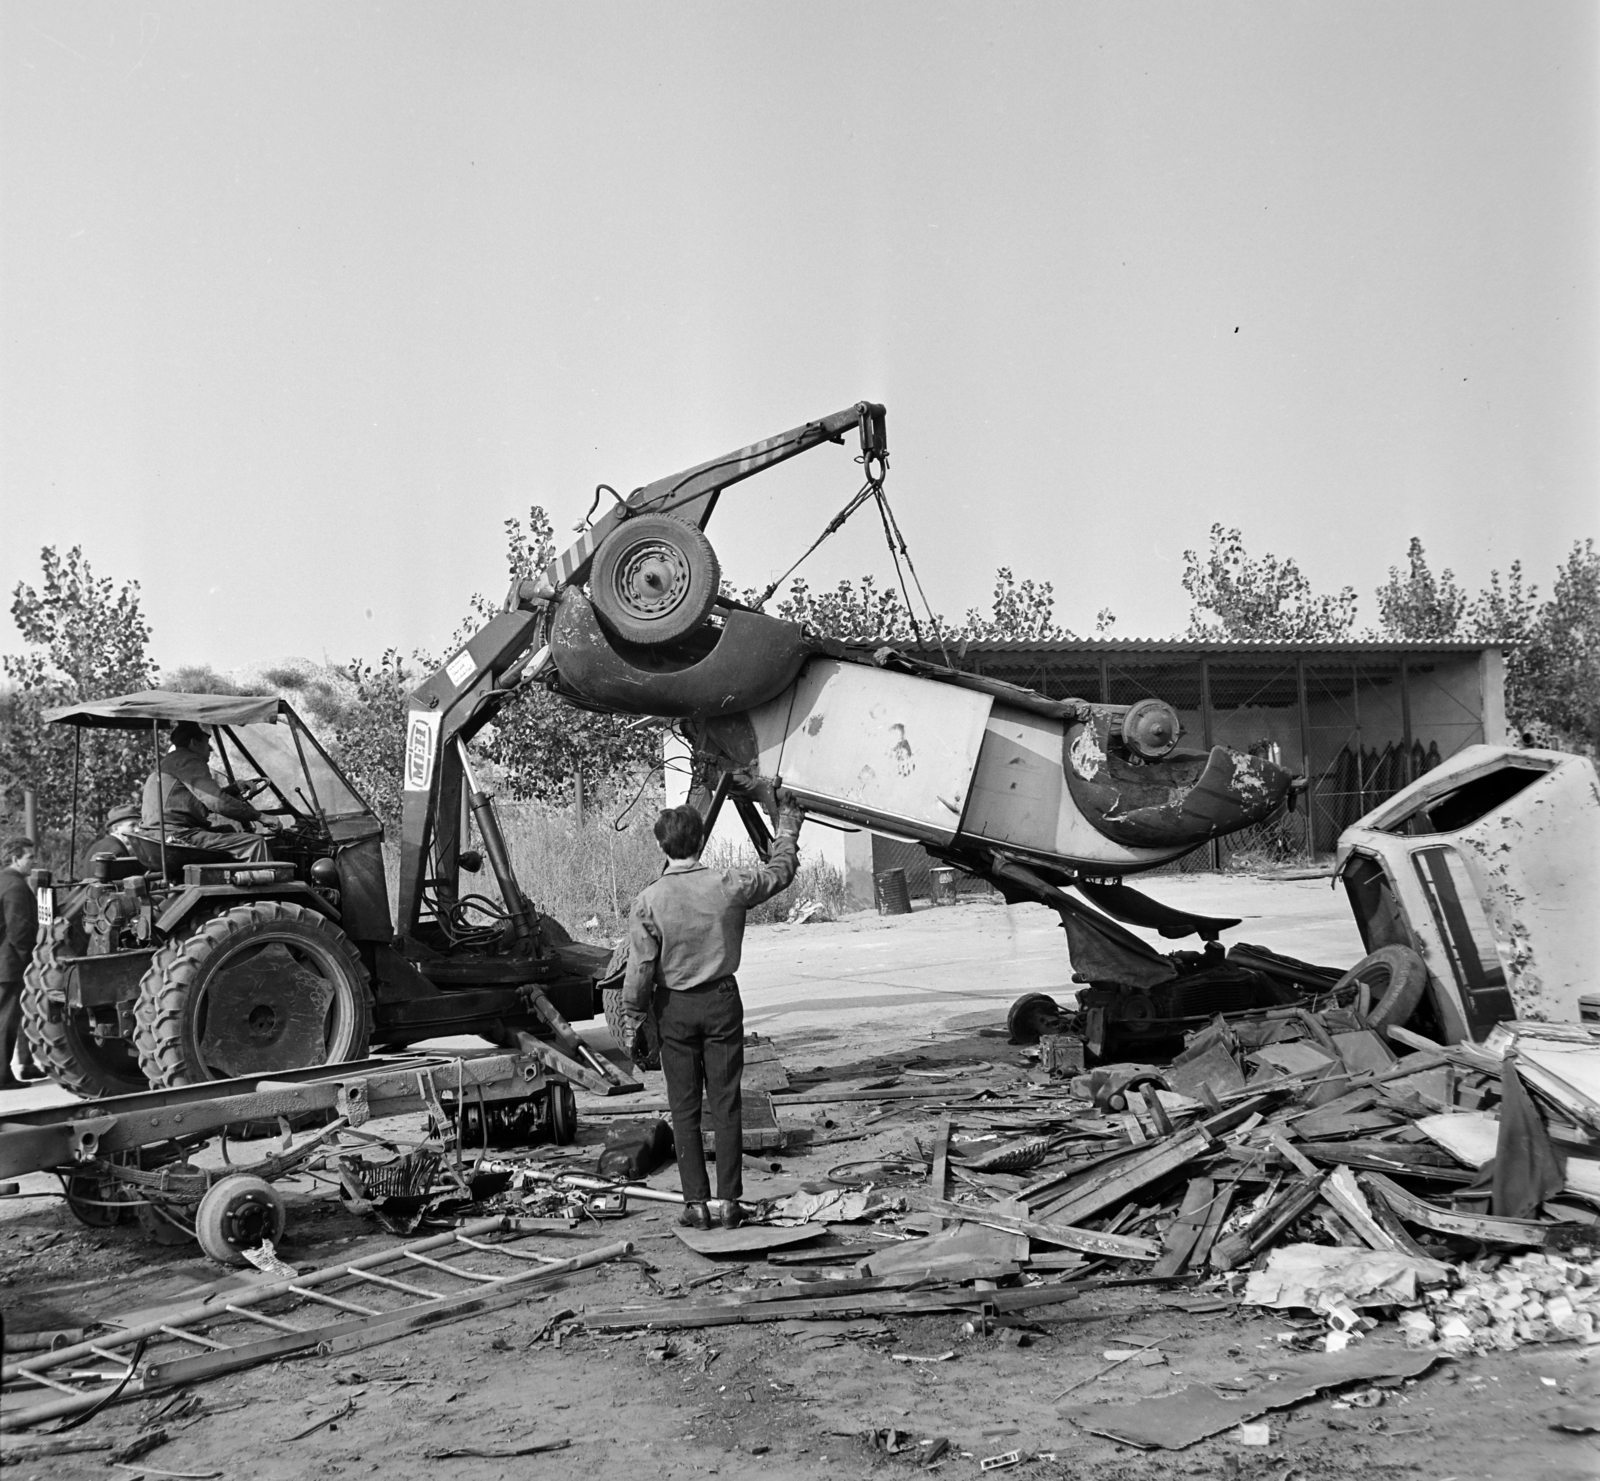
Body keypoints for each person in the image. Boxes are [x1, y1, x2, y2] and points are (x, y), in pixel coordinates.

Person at [621, 794, 805, 1230]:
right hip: (722, 1002)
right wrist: (788, 832)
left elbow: (640, 973)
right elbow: (780, 874)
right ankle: (730, 1205)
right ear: (700, 841)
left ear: (663, 847)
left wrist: (635, 1018)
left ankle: (696, 1206)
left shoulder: (649, 901)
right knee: (726, 1104)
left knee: (683, 1108)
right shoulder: (728, 883)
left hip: (675, 1009)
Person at [141, 722, 271, 863]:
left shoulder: (170, 762)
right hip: (178, 837)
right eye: (206, 743)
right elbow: (217, 802)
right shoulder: (188, 760)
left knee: (227, 829)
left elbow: (204, 799)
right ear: (194, 743)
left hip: (158, 838)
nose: (210, 749)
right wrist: (261, 817)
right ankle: (268, 883)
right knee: (255, 843)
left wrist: (234, 789)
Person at [0, 836, 42, 1087]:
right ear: (16, 859)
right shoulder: (15, 886)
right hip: (11, 964)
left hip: (5, 962)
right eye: (29, 857)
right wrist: (32, 961)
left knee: (15, 1016)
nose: (33, 862)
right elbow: (20, 932)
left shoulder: (4, 881)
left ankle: (26, 1064)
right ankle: (2, 1076)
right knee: (7, 1021)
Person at [82, 803, 140, 870]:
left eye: (138, 825)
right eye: (132, 825)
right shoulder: (118, 852)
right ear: (116, 829)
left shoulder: (96, 846)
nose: (137, 830)